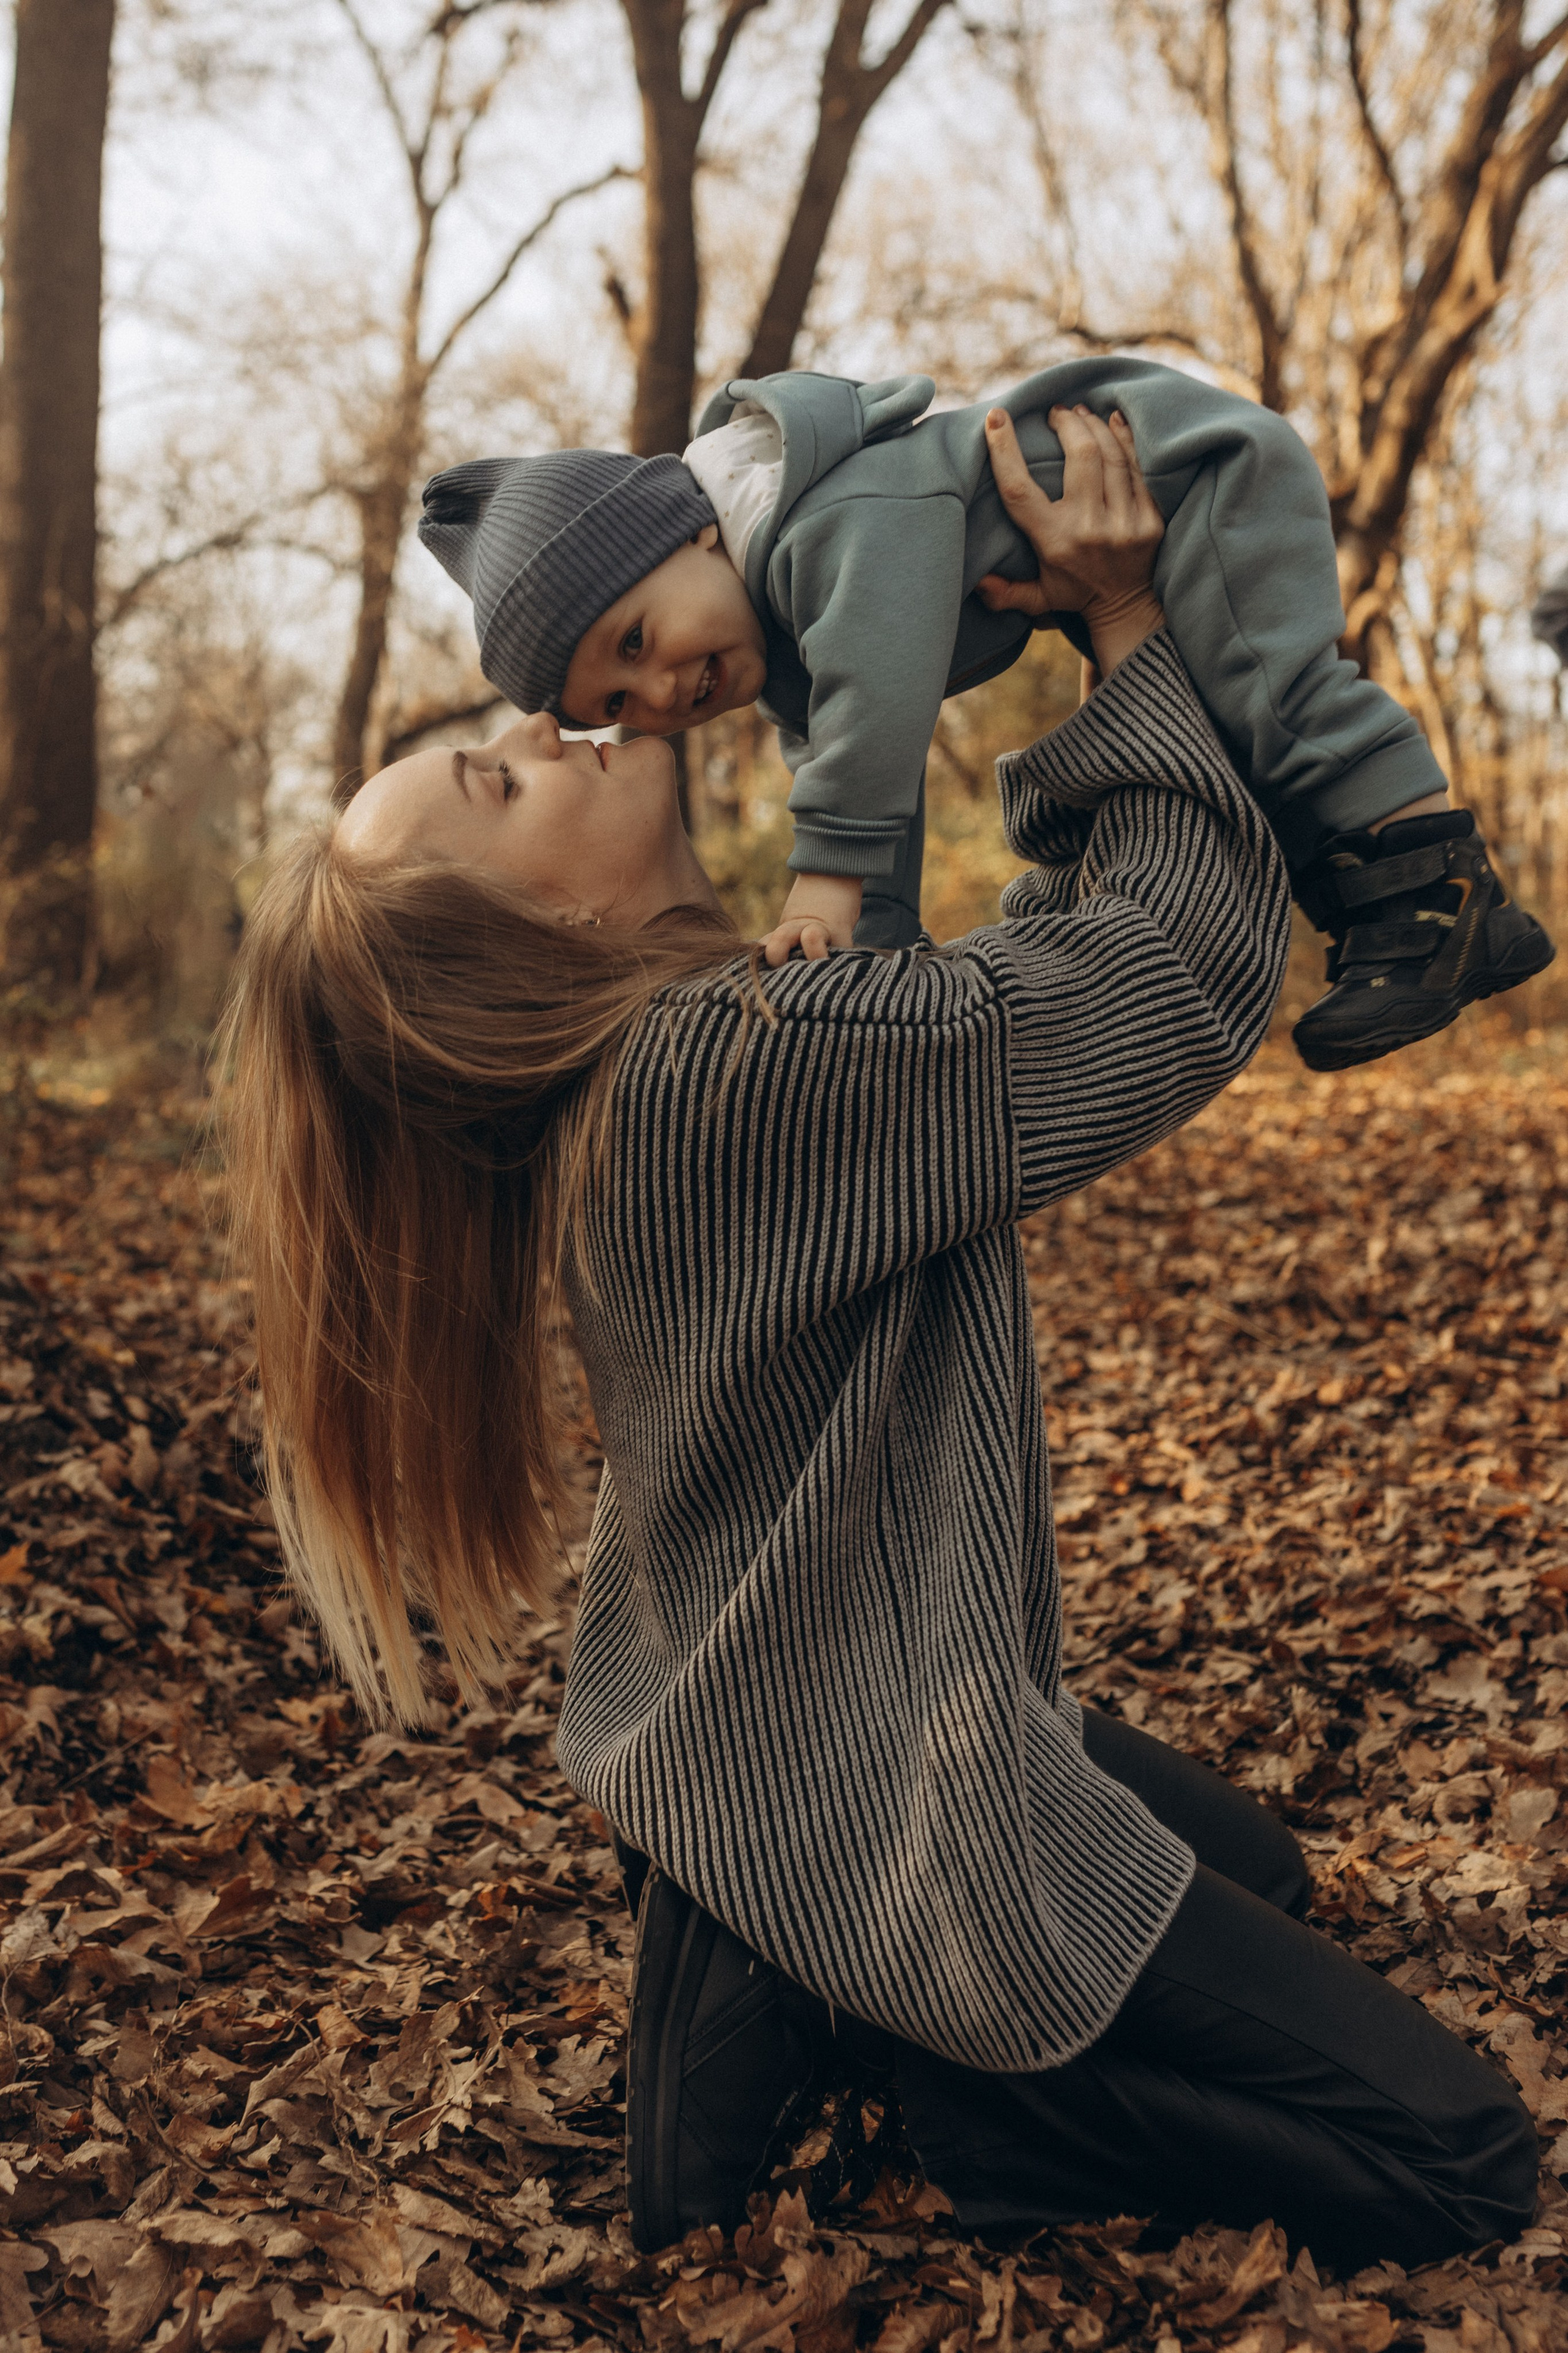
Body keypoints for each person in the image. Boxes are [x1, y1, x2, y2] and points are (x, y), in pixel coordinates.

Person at [224, 414, 1536, 2270]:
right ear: (548, 937)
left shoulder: (697, 1053)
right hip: (879, 1783)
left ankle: (762, 1921)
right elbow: (1165, 984)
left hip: (776, 1712)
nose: (539, 728)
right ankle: (937, 2095)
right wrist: (1142, 630)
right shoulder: (716, 1079)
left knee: (1266, 1882)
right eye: (499, 786)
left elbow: (1003, 1004)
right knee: (1465, 2165)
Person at [417, 362, 1553, 1073]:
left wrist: (828, 867)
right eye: (614, 705)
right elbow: (868, 763)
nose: (659, 692)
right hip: (1136, 534)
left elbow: (881, 688)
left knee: (1277, 704)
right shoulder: (788, 651)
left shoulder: (829, 523)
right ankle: (1450, 925)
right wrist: (874, 940)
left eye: (635, 639)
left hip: (1190, 475)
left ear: (693, 532)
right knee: (1246, 744)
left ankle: (1429, 893)